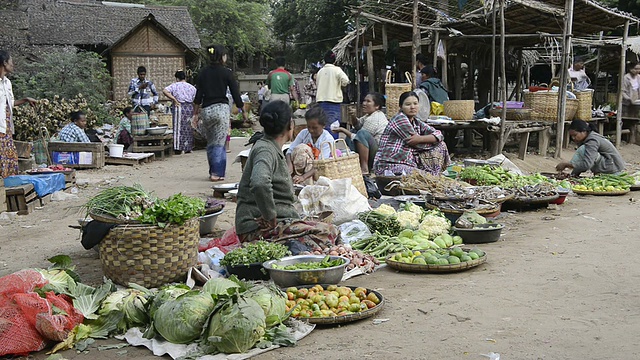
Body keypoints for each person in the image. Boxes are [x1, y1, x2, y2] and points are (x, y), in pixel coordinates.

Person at [235, 100, 339, 250]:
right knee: (327, 234)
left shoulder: (270, 147)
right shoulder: (265, 150)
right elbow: (259, 182)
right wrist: (270, 216)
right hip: (255, 228)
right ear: (290, 125)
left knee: (327, 231)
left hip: (278, 220)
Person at [194, 45, 247, 182]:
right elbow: (235, 94)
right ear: (221, 57)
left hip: (206, 111)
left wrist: (195, 114)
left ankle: (214, 170)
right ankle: (217, 173)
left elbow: (198, 95)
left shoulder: (203, 72)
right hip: (221, 110)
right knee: (219, 143)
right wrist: (243, 111)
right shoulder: (226, 73)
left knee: (211, 142)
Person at [373, 91, 451, 176]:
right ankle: (433, 175)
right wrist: (427, 140)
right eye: (408, 104)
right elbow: (417, 145)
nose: (412, 107)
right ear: (401, 106)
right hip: (389, 164)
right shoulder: (400, 119)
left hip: (408, 162)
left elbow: (439, 134)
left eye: (415, 103)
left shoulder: (416, 121)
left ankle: (435, 173)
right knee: (427, 178)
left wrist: (420, 139)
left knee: (441, 145)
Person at [0, 50, 36, 178]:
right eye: (11, 61)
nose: (12, 64)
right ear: (4, 63)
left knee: (9, 159)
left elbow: (10, 103)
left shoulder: (7, 83)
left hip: (6, 127)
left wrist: (25, 100)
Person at [334, 92, 388, 174]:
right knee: (352, 132)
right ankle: (356, 162)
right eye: (364, 101)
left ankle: (365, 168)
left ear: (377, 106)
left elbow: (360, 136)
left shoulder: (375, 118)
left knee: (360, 134)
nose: (364, 103)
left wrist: (342, 130)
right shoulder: (369, 115)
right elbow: (357, 126)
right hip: (372, 149)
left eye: (368, 101)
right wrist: (353, 116)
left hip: (379, 154)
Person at [555, 119, 625, 176]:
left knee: (583, 150)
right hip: (612, 166)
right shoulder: (588, 138)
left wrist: (567, 164)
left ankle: (603, 174)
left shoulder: (592, 141)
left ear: (584, 131)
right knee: (583, 150)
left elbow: (586, 165)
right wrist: (573, 175)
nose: (573, 138)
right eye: (571, 136)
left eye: (575, 135)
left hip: (613, 169)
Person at [285, 105, 335, 185]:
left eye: (315, 128)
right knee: (300, 149)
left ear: (323, 125)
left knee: (304, 150)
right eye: (309, 127)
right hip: (300, 169)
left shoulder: (327, 140)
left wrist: (304, 177)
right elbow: (289, 151)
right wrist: (289, 166)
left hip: (317, 170)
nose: (311, 130)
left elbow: (320, 164)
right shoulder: (304, 133)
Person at [316, 51, 350, 139]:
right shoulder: (337, 70)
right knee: (333, 127)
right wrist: (340, 84)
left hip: (321, 102)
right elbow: (346, 81)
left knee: (323, 126)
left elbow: (318, 84)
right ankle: (332, 148)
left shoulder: (320, 71)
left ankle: (324, 146)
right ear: (334, 60)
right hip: (333, 102)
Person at [163, 70, 196, 154]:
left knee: (178, 127)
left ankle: (179, 147)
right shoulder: (191, 87)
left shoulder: (175, 85)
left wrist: (173, 99)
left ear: (177, 78)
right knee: (189, 127)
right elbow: (196, 98)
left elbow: (165, 91)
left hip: (179, 106)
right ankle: (188, 147)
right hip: (189, 107)